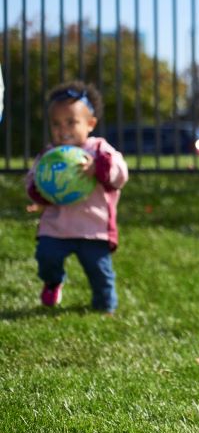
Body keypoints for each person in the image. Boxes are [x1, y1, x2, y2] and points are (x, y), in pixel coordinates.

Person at [25, 81, 129, 313]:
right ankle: (53, 281)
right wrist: (38, 193)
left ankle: (104, 306)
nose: (63, 130)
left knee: (99, 270)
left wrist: (98, 168)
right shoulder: (49, 155)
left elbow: (121, 175)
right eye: (56, 124)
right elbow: (32, 180)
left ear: (90, 124)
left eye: (71, 122)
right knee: (46, 257)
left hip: (93, 228)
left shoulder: (100, 150)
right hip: (56, 227)